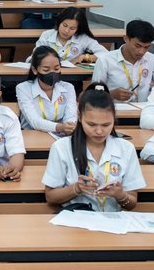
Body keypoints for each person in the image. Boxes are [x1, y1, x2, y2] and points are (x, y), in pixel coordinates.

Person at [43, 83, 145, 212]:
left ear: (114, 118)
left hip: (114, 222)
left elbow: (131, 203)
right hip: (77, 221)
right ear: (79, 117)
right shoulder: (61, 148)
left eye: (106, 125)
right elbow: (50, 196)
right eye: (91, 124)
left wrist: (120, 195)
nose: (99, 131)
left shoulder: (126, 148)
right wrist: (76, 189)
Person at [90, 18, 154, 102]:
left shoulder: (152, 59)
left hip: (145, 110)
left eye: (146, 47)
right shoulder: (105, 60)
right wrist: (111, 94)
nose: (141, 52)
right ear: (126, 39)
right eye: (138, 46)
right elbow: (93, 93)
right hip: (115, 110)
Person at [17, 46, 78, 134]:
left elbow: (71, 116)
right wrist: (59, 127)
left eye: (56, 68)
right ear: (35, 70)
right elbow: (34, 121)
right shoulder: (23, 88)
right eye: (46, 70)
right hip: (33, 135)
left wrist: (70, 126)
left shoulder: (68, 87)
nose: (52, 73)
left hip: (61, 135)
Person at [34, 6, 103, 66]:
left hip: (73, 78)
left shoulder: (83, 37)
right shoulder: (47, 35)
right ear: (59, 22)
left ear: (78, 29)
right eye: (64, 25)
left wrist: (85, 57)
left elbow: (105, 54)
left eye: (72, 28)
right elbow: (35, 56)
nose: (66, 31)